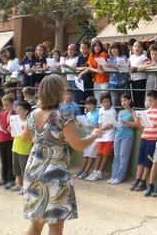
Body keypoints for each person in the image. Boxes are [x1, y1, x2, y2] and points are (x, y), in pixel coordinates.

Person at [22, 74, 103, 235]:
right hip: (55, 173)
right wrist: (94, 135)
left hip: (33, 171)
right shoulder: (63, 118)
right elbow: (78, 146)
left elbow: (25, 138)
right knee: (56, 224)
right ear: (58, 92)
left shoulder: (32, 114)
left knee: (36, 222)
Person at [129, 90, 157, 191]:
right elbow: (142, 127)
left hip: (153, 139)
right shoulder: (147, 111)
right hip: (144, 137)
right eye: (148, 101)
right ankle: (137, 179)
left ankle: (143, 180)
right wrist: (137, 120)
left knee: (148, 160)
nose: (149, 103)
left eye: (151, 100)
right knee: (140, 160)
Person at [86, 92, 117, 182]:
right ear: (101, 103)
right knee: (99, 153)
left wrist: (101, 128)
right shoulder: (100, 110)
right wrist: (98, 127)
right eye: (104, 102)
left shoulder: (113, 111)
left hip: (110, 136)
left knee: (105, 154)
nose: (106, 103)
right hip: (101, 135)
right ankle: (95, 171)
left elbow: (111, 125)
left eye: (108, 101)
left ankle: (100, 172)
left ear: (110, 101)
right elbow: (100, 122)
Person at [108, 93, 138, 184]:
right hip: (118, 135)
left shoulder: (133, 112)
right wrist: (112, 124)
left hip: (127, 136)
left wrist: (127, 123)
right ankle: (113, 176)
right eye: (122, 101)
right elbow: (117, 124)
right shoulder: (120, 112)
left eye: (125, 100)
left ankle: (119, 177)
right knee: (116, 156)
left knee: (123, 157)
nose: (123, 102)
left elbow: (137, 124)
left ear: (129, 101)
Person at [9, 101, 32, 193]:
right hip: (15, 147)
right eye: (17, 108)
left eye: (20, 109)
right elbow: (13, 134)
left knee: (24, 169)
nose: (17, 111)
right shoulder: (15, 120)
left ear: (26, 111)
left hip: (25, 148)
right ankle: (19, 184)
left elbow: (31, 135)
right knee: (16, 168)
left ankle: (26, 187)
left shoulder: (29, 122)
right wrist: (10, 129)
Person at [75, 96, 99, 179]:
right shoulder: (87, 114)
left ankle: (86, 171)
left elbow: (99, 125)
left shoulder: (98, 113)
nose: (88, 106)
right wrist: (83, 125)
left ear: (94, 105)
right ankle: (81, 170)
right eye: (87, 104)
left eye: (90, 104)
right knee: (85, 155)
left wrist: (92, 127)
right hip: (87, 135)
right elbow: (85, 124)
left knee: (91, 155)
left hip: (94, 137)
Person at [0, 94, 16, 189]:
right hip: (2, 139)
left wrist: (10, 111)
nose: (5, 107)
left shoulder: (14, 113)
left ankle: (10, 179)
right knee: (3, 159)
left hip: (11, 139)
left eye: (7, 105)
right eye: (3, 105)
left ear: (12, 104)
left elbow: (9, 121)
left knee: (10, 160)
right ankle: (4, 177)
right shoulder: (2, 114)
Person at [106, 42, 127, 108]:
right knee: (115, 103)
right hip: (113, 83)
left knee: (124, 103)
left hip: (122, 83)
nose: (113, 50)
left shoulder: (123, 57)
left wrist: (111, 66)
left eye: (115, 48)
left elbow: (121, 68)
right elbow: (108, 68)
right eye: (112, 49)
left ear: (119, 49)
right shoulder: (111, 58)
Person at [129, 41, 148, 108]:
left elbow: (146, 66)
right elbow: (127, 65)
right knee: (134, 98)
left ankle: (141, 112)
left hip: (141, 79)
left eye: (139, 46)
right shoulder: (131, 57)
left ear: (142, 48)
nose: (137, 48)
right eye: (135, 46)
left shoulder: (143, 57)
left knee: (140, 98)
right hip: (133, 79)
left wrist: (136, 68)